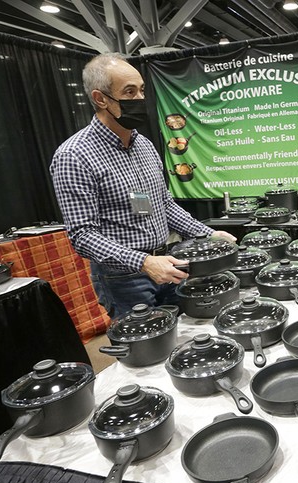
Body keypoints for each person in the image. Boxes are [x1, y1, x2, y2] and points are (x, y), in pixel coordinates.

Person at [51, 53, 235, 319]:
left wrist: (208, 234)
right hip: (124, 278)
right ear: (100, 98)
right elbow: (82, 235)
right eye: (129, 92)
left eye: (141, 90)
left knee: (184, 336)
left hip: (169, 263)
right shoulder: (74, 155)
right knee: (145, 351)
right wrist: (144, 262)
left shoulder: (144, 145)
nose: (139, 99)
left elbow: (164, 205)